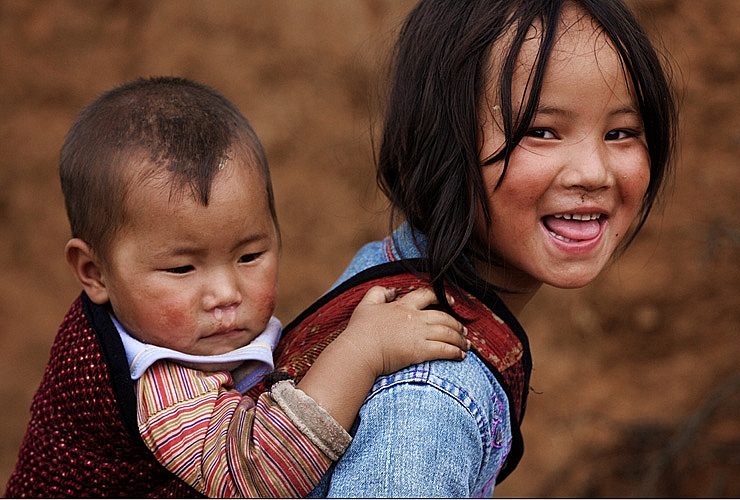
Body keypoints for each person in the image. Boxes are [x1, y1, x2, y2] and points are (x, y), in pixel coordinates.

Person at [262, 0, 679, 497]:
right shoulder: (430, 398)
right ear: (441, 143)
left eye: (621, 133)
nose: (592, 171)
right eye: (540, 131)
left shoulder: (390, 268)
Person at [5, 77, 470, 498]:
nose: (225, 293)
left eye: (249, 256)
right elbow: (256, 473)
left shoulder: (178, 331)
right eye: (182, 269)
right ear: (94, 272)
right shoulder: (155, 379)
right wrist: (362, 351)